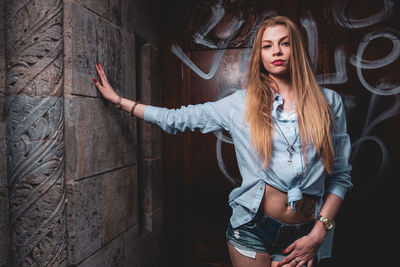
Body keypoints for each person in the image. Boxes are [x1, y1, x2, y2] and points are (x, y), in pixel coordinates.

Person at [93, 15, 352, 267]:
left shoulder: (329, 103)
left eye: (284, 43)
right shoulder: (240, 104)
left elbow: (340, 177)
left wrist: (319, 233)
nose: (277, 51)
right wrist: (119, 100)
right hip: (252, 229)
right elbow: (176, 118)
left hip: (306, 232)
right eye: (267, 45)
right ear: (259, 56)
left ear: (296, 49)